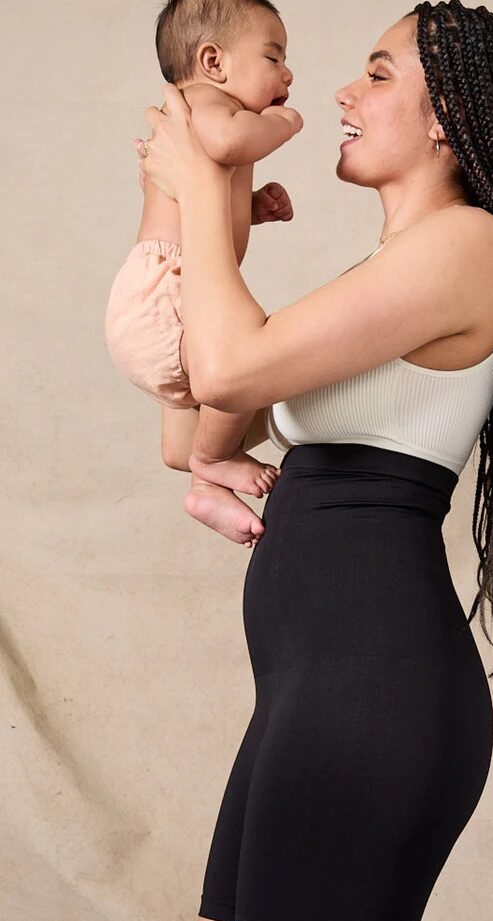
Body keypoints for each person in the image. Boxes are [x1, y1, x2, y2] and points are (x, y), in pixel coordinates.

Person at [136, 2, 493, 921]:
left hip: (372, 696)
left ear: (446, 117)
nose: (341, 91)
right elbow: (191, 434)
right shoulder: (375, 276)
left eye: (378, 75)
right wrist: (202, 209)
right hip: (306, 695)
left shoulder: (468, 246)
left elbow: (228, 365)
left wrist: (205, 172)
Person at [106, 0, 304, 547]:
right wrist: (282, 124)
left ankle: (202, 484)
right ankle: (214, 459)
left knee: (191, 421)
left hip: (163, 293)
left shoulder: (200, 116)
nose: (287, 75)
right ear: (213, 62)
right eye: (273, 56)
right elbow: (227, 142)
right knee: (245, 357)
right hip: (167, 290)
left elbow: (205, 204)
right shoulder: (203, 104)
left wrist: (253, 206)